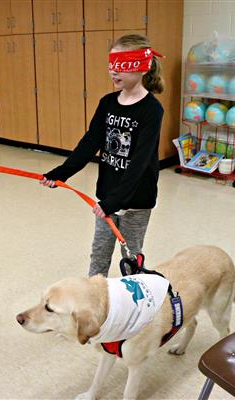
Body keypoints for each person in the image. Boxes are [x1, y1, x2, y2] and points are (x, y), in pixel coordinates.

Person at [41, 34, 164, 278]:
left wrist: (117, 200)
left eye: (122, 66)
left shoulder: (151, 109)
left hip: (136, 199)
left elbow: (140, 161)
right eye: (112, 66)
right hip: (107, 194)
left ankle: (133, 303)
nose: (114, 72)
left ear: (142, 68)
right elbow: (90, 143)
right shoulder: (107, 102)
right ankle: (94, 299)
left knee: (131, 256)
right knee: (99, 252)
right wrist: (61, 174)